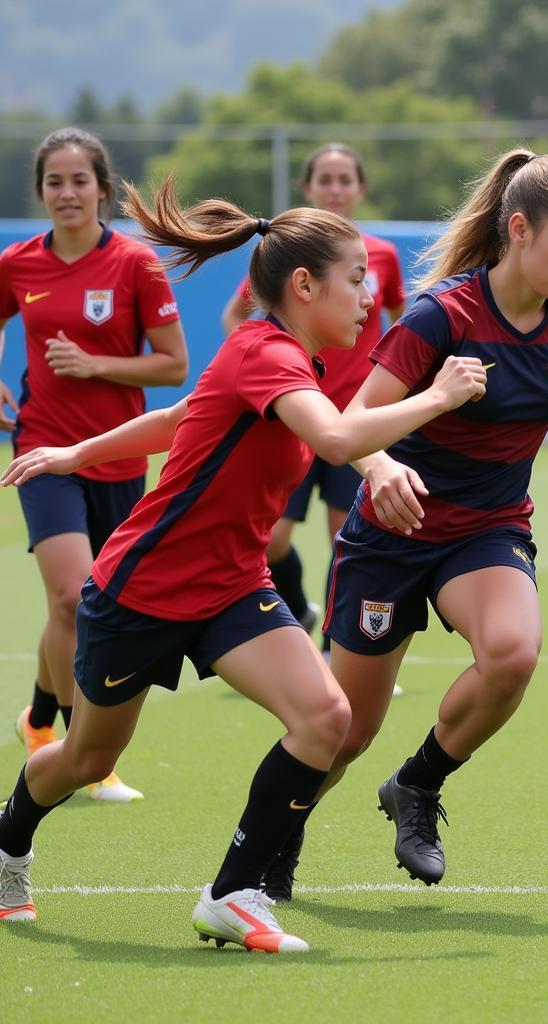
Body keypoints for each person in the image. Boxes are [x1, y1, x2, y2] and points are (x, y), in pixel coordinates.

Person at [0, 179, 487, 949]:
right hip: (143, 591)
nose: (368, 296)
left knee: (327, 717)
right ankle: (8, 843)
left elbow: (196, 419)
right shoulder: (265, 351)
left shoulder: (288, 359)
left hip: (231, 587)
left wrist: (379, 466)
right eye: (355, 279)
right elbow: (329, 438)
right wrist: (439, 397)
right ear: (303, 285)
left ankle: (233, 892)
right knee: (89, 755)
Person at [273, 148, 548, 891]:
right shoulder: (444, 315)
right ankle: (275, 840)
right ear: (521, 230)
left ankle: (418, 785)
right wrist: (380, 467)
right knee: (346, 730)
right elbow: (352, 419)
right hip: (392, 536)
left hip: (488, 530)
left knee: (513, 655)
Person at [0, 127, 188, 803]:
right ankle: (88, 756)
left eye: (80, 180)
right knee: (69, 596)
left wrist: (96, 364)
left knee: (93, 603)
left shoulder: (135, 265)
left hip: (116, 454)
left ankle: (39, 721)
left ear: (102, 189)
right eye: (55, 181)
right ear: (41, 191)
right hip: (41, 448)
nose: (68, 193)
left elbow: (174, 363)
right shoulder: (18, 263)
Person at [222, 144, 407, 649]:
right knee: (273, 539)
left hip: (354, 419)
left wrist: (395, 389)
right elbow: (238, 314)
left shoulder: (382, 255)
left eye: (345, 179)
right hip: (297, 420)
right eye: (325, 179)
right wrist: (262, 371)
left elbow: (400, 326)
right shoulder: (288, 258)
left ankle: (336, 649)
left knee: (344, 541)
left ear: (360, 189)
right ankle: (298, 609)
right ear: (308, 189)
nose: (335, 188)